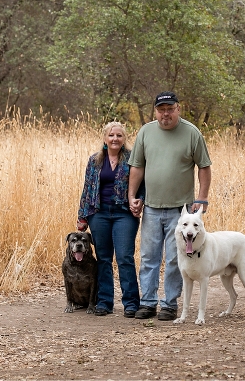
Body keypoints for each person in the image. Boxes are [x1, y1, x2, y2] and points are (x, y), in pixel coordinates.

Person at [127, 91, 212, 321]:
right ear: (156, 111)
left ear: (178, 109)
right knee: (148, 256)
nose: (166, 113)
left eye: (170, 109)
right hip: (152, 207)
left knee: (176, 258)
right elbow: (137, 166)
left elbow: (204, 166)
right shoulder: (146, 132)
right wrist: (132, 195)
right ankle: (147, 302)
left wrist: (202, 199)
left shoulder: (191, 133)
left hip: (181, 210)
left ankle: (170, 304)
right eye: (161, 109)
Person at [77, 121, 141, 317]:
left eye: (119, 135)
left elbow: (142, 184)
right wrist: (83, 216)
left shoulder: (132, 159)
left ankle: (131, 303)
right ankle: (104, 302)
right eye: (111, 135)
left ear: (124, 139)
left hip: (124, 214)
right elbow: (87, 188)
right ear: (105, 138)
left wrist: (140, 201)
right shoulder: (95, 160)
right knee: (103, 259)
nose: (115, 139)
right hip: (99, 214)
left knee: (124, 258)